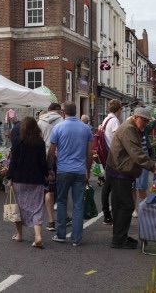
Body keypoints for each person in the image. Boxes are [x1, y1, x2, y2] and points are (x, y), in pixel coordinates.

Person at [106, 107, 156, 249]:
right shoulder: (128, 129)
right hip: (120, 172)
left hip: (119, 171)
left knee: (119, 206)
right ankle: (119, 239)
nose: (145, 123)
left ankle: (119, 237)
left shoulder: (132, 128)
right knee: (126, 206)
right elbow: (136, 153)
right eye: (143, 120)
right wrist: (153, 167)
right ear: (136, 117)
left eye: (147, 121)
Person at [47, 102, 93, 246]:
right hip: (80, 171)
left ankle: (61, 234)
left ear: (63, 113)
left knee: (61, 202)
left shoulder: (58, 127)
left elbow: (51, 151)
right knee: (78, 204)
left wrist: (49, 169)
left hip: (63, 170)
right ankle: (76, 238)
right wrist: (88, 170)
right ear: (76, 112)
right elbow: (89, 153)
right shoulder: (86, 129)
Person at [6, 117, 49, 249]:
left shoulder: (18, 142)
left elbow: (13, 162)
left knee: (18, 207)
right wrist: (47, 174)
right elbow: (43, 162)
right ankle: (38, 236)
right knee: (37, 207)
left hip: (19, 178)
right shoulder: (40, 143)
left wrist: (9, 177)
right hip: (36, 179)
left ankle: (19, 235)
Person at [37, 103, 64, 231]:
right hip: (60, 156)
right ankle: (63, 216)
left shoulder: (40, 122)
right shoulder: (62, 121)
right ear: (58, 111)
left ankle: (51, 221)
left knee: (48, 188)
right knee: (62, 186)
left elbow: (38, 140)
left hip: (45, 155)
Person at [100, 99, 122, 225]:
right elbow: (116, 139)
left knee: (107, 186)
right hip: (113, 157)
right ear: (118, 109)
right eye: (120, 109)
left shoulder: (106, 120)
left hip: (107, 156)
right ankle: (109, 216)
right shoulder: (114, 121)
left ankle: (107, 216)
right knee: (112, 187)